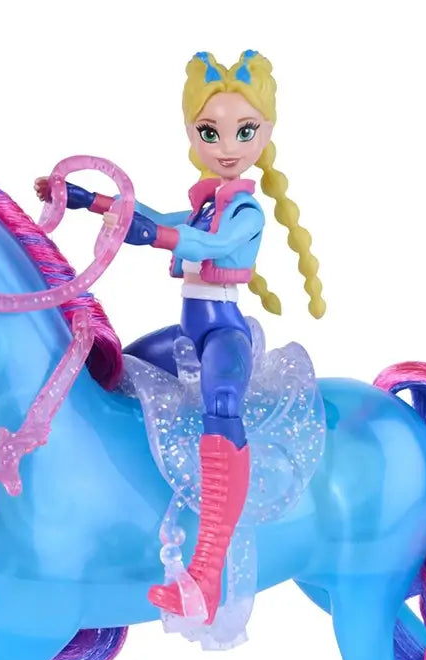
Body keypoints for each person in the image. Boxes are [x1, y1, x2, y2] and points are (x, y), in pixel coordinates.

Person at [35, 50, 324, 624]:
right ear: (193, 134)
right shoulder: (202, 205)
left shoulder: (245, 211)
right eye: (210, 132)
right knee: (116, 373)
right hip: (186, 337)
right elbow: (146, 215)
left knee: (222, 409)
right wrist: (88, 201)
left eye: (244, 131)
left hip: (224, 336)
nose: (227, 145)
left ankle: (206, 573)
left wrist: (156, 236)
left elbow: (211, 248)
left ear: (266, 133)